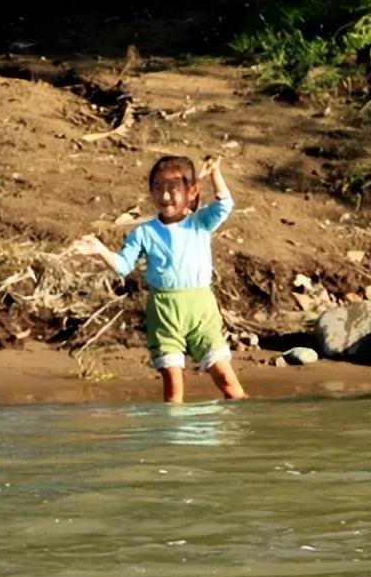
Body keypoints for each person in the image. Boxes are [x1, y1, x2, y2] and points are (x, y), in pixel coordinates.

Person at [75, 154, 247, 404]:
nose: (165, 196)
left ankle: (242, 434)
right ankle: (172, 441)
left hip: (202, 309)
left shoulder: (200, 222)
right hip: (164, 311)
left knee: (229, 384)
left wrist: (214, 174)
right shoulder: (144, 232)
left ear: (191, 191)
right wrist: (100, 250)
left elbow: (225, 204)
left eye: (173, 188)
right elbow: (123, 266)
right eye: (158, 188)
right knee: (174, 392)